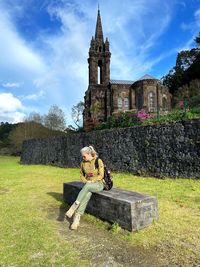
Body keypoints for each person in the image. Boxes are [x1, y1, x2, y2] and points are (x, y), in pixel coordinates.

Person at [65, 145, 104, 230]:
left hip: (99, 184)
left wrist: (92, 181)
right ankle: (77, 218)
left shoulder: (98, 161)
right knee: (87, 194)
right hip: (88, 185)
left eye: (84, 156)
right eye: (82, 156)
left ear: (89, 154)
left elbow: (101, 175)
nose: (83, 157)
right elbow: (81, 175)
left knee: (87, 187)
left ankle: (74, 207)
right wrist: (86, 181)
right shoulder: (83, 163)